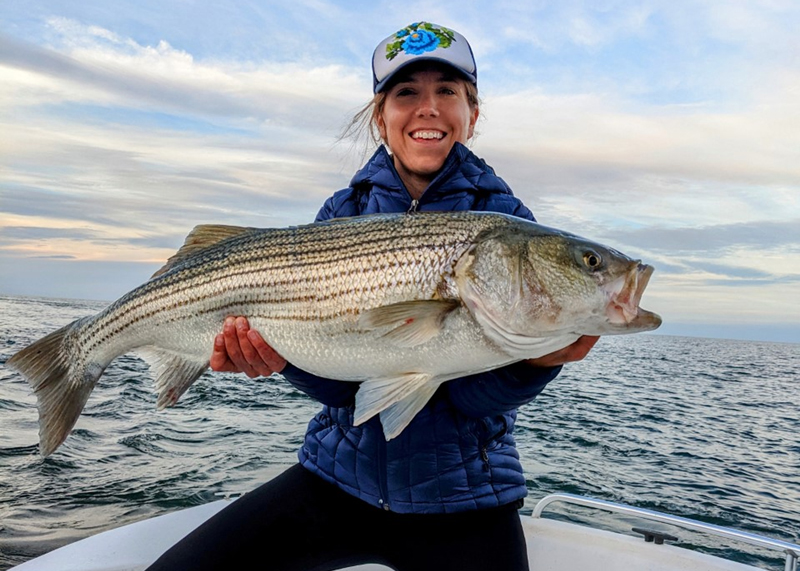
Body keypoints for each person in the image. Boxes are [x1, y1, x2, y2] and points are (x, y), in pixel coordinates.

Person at [147, 21, 598, 571]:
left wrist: (536, 362)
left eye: (447, 91)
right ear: (380, 117)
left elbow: (472, 403)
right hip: (333, 480)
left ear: (473, 114)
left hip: (465, 497)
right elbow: (342, 389)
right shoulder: (341, 214)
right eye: (406, 93)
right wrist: (280, 359)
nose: (428, 108)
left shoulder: (509, 223)